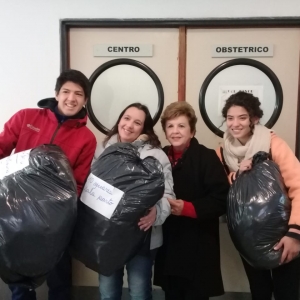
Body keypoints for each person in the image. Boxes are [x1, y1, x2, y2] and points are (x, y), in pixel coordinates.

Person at [3, 69, 97, 300]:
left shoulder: (87, 138)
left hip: (55, 222)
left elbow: (79, 183)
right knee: (20, 279)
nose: (71, 98)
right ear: (56, 94)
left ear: (85, 100)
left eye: (78, 93)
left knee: (59, 277)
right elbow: (2, 148)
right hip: (18, 215)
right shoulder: (26, 117)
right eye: (66, 91)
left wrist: (62, 218)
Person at [216, 91, 300, 300]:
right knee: (259, 290)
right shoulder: (222, 151)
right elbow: (217, 187)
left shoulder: (273, 144)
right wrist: (237, 175)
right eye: (230, 118)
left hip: (283, 233)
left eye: (242, 117)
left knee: (286, 290)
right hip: (247, 235)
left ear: (254, 119)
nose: (235, 124)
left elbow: (298, 186)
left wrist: (295, 233)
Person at [94, 102, 175, 300]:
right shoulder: (104, 149)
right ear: (120, 120)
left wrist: (157, 211)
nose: (129, 125)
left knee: (139, 292)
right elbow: (91, 187)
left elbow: (168, 194)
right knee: (108, 292)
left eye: (137, 122)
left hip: (142, 236)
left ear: (144, 128)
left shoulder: (156, 155)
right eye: (126, 118)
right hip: (108, 235)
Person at [153, 101, 229, 300]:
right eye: (170, 126)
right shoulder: (158, 156)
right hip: (169, 242)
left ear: (192, 131)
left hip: (198, 244)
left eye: (181, 126)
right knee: (171, 294)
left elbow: (222, 199)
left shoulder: (207, 157)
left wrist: (187, 208)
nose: (175, 131)